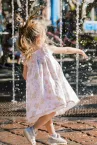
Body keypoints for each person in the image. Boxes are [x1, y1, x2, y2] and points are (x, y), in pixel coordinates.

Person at [17, 13, 88, 145]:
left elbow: (25, 75)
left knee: (47, 111)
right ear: (39, 37)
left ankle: (53, 136)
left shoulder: (27, 54)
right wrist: (79, 51)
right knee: (54, 108)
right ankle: (32, 129)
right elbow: (65, 49)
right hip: (50, 88)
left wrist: (34, 83)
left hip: (37, 90)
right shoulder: (45, 49)